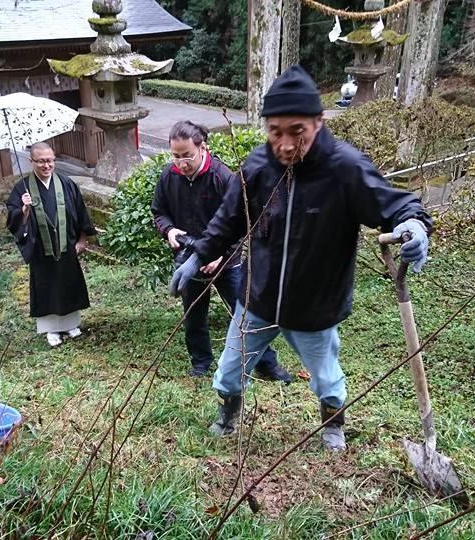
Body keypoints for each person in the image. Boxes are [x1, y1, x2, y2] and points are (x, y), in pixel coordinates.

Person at [169, 66, 432, 451]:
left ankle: (332, 428)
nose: (287, 144)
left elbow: (396, 204)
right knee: (227, 373)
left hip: (314, 308)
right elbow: (226, 223)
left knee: (327, 380)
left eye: (298, 131)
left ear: (319, 122)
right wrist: (196, 258)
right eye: (276, 131)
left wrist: (414, 225)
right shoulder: (257, 168)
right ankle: (227, 418)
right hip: (257, 299)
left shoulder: (344, 168)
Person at [152, 121, 292, 382]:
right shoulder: (168, 176)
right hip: (189, 260)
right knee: (193, 315)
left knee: (247, 315)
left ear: (202, 148)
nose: (181, 163)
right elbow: (158, 212)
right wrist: (169, 230)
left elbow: (243, 223)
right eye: (176, 156)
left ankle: (266, 364)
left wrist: (219, 255)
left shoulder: (223, 177)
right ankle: (201, 363)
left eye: (187, 156)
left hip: (227, 262)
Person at [6, 142, 97, 347]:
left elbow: (81, 213)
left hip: (67, 246)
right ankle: (51, 329)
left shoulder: (66, 183)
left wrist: (82, 240)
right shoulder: (22, 188)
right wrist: (24, 209)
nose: (47, 166)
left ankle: (71, 324)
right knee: (46, 287)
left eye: (50, 161)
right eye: (41, 162)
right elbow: (13, 220)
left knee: (69, 284)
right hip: (41, 250)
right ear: (31, 162)